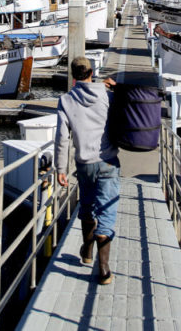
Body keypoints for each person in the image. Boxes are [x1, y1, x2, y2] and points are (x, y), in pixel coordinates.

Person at [55, 56, 119, 285]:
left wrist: (60, 167)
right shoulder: (108, 95)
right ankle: (103, 269)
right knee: (106, 212)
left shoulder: (65, 100)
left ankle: (87, 252)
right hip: (108, 161)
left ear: (73, 76)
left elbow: (62, 139)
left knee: (87, 206)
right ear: (92, 72)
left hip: (83, 163)